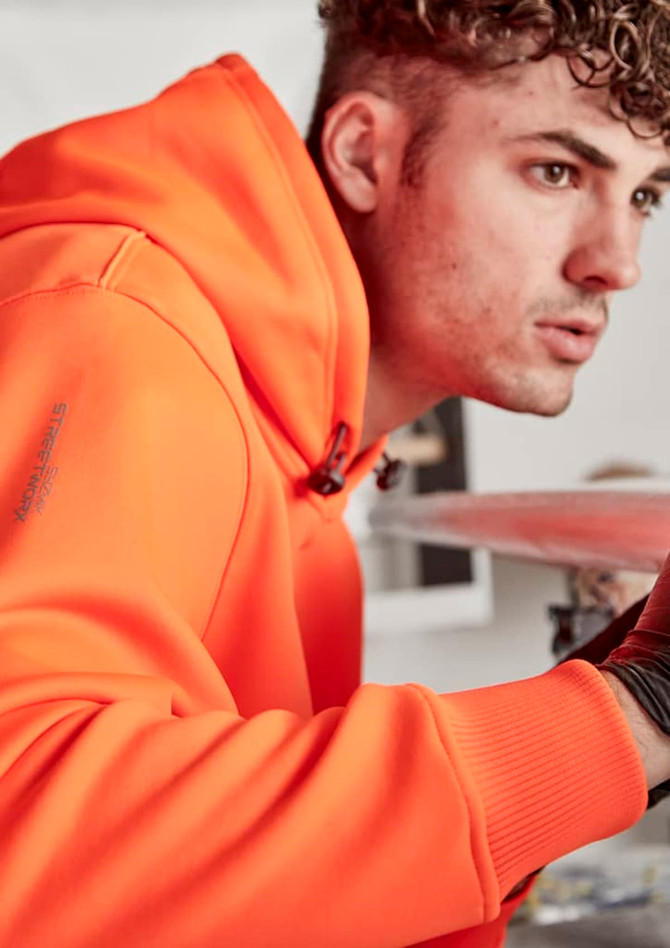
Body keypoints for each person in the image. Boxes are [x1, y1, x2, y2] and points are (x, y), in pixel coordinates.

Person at [0, 2, 669, 947]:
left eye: (646, 195)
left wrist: (583, 737)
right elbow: (20, 852)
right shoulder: (114, 329)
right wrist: (633, 720)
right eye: (556, 171)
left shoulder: (311, 463)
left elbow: (245, 903)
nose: (620, 263)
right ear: (363, 153)